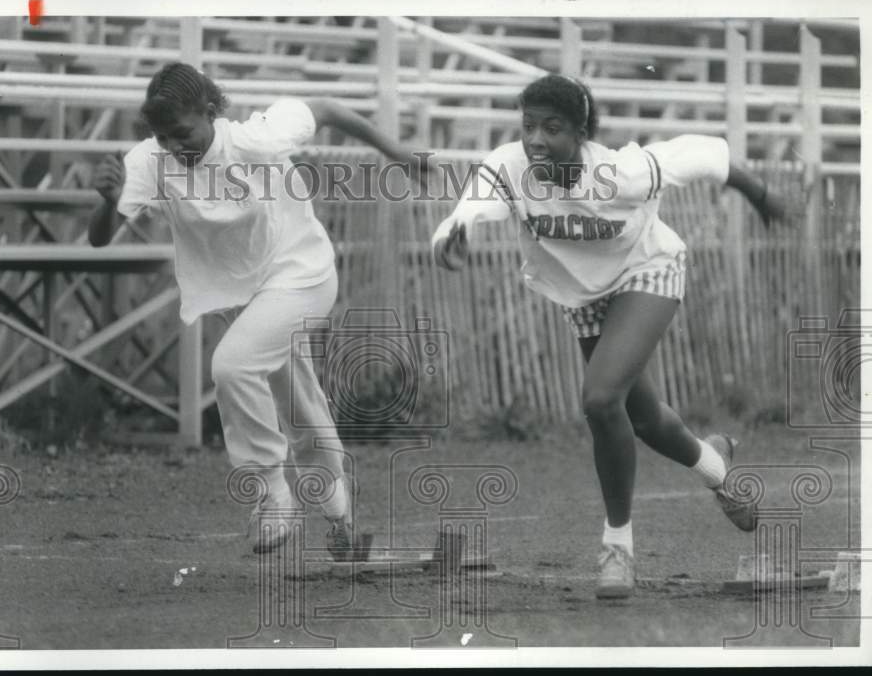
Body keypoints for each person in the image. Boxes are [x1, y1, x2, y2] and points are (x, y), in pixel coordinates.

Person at [432, 74, 789, 599]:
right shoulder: (509, 167)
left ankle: (617, 547)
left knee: (601, 400)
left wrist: (760, 195)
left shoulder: (623, 173)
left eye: (552, 128)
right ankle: (716, 465)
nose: (535, 139)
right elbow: (467, 209)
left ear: (581, 133)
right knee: (643, 419)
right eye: (528, 126)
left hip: (648, 271)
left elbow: (706, 155)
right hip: (584, 297)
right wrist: (451, 236)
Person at [89, 62, 427, 558]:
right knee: (298, 399)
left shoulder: (256, 136)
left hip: (303, 274)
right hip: (245, 297)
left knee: (232, 366)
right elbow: (99, 239)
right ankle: (340, 518)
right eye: (162, 137)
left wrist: (398, 154)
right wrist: (107, 201)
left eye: (183, 133)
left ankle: (272, 494)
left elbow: (328, 109)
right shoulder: (149, 161)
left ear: (211, 111)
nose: (174, 147)